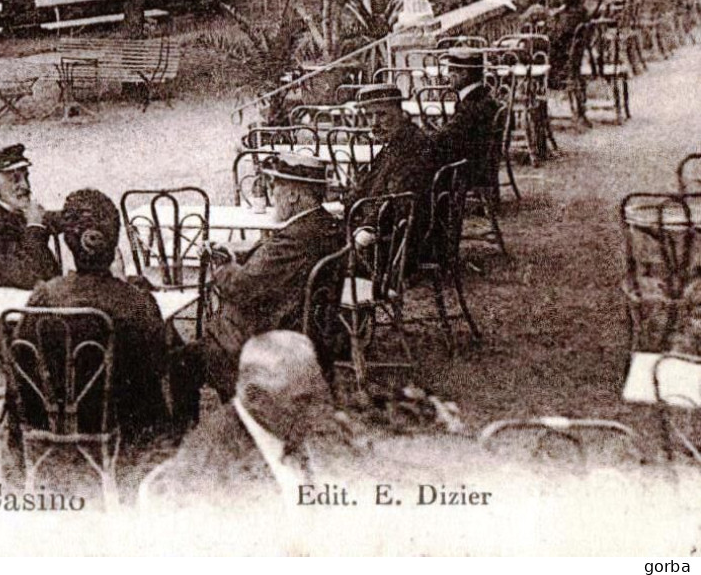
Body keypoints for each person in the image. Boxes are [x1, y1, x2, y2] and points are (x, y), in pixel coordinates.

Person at [22, 189, 200, 445]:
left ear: (70, 244)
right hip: (127, 429)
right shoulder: (136, 300)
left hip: (62, 422)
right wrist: (124, 283)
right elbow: (160, 364)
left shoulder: (43, 298)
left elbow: (25, 358)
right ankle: (180, 440)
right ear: (114, 243)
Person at [140, 331, 355, 506]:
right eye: (303, 401)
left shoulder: (278, 427)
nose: (317, 414)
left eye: (321, 397)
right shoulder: (214, 467)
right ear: (255, 397)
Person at [200, 154, 345, 397]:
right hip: (309, 326)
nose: (271, 194)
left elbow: (241, 287)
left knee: (186, 359)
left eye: (274, 186)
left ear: (293, 195)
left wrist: (222, 266)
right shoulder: (325, 225)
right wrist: (240, 257)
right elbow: (271, 267)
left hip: (270, 334)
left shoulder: (294, 239)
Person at [348, 83, 439, 269]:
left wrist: (366, 228)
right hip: (387, 234)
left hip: (398, 246)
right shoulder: (396, 143)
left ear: (399, 112)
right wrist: (344, 207)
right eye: (369, 116)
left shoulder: (413, 147)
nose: (374, 123)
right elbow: (367, 187)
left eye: (381, 114)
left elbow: (396, 201)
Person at [0, 144, 62, 289]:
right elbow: (29, 276)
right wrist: (35, 227)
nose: (25, 186)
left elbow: (47, 219)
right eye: (15, 180)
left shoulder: (7, 205)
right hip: (15, 305)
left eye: (26, 177)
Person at [436, 48, 500, 194]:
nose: (447, 76)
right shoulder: (482, 96)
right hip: (480, 163)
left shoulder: (470, 105)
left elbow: (449, 135)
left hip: (468, 169)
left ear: (464, 74)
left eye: (451, 70)